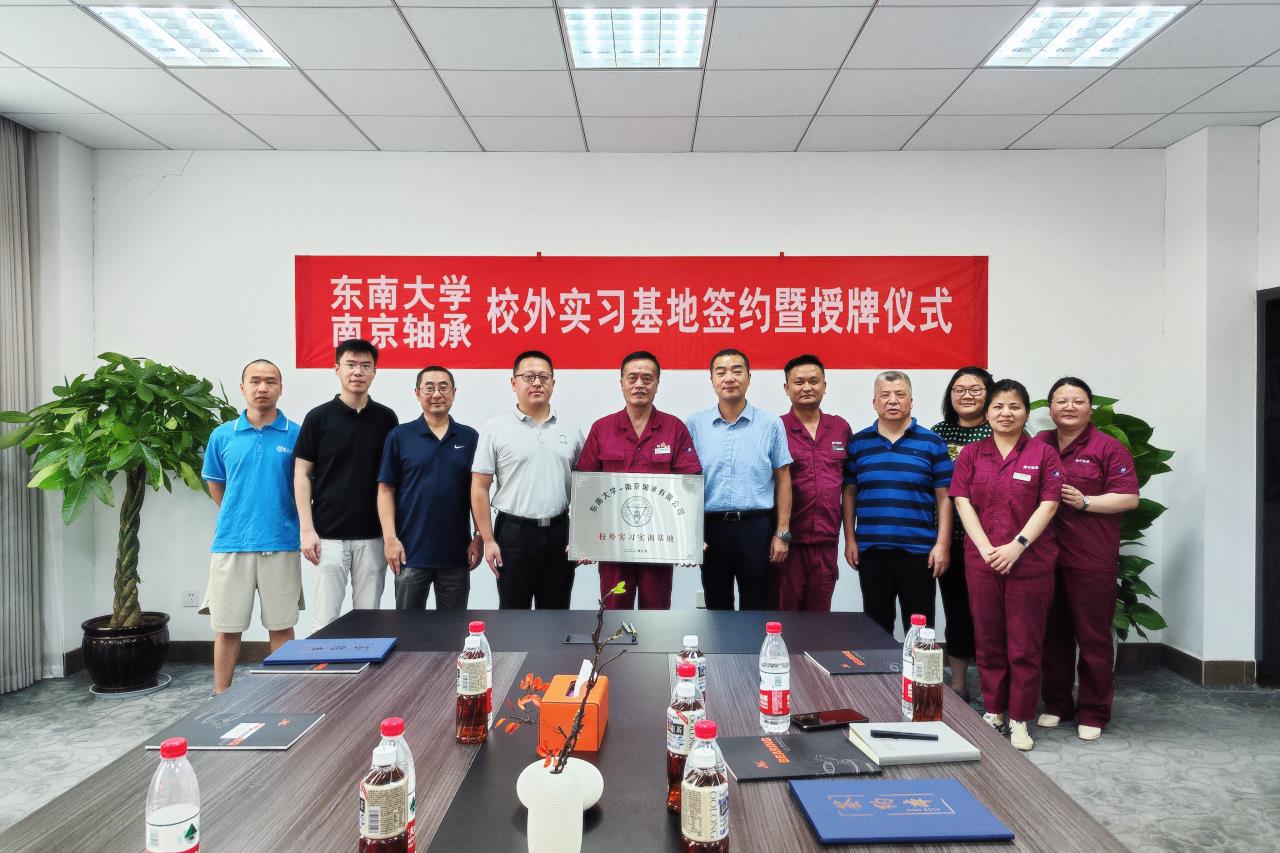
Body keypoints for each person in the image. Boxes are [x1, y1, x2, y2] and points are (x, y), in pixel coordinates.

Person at [949, 379, 1064, 751]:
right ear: (987, 413)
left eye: (1014, 406)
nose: (1006, 413)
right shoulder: (971, 454)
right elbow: (962, 501)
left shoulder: (1043, 454)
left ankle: (1020, 718)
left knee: (1024, 644)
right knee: (988, 640)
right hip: (982, 561)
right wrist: (985, 548)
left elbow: (1049, 504)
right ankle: (995, 710)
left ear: (1026, 413)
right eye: (998, 406)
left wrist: (1017, 546)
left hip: (1030, 562)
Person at [1034, 377, 1139, 742]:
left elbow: (1129, 498)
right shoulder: (1039, 443)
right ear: (1050, 408)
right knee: (1053, 635)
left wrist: (1086, 501)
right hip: (1045, 557)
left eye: (1077, 400)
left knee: (1093, 637)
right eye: (1061, 400)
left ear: (1090, 408)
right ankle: (1057, 704)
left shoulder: (1107, 448)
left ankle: (1094, 710)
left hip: (1091, 558)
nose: (1068, 407)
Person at [200, 359, 302, 694]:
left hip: (281, 542)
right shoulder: (222, 435)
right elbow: (216, 484)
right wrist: (239, 514)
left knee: (282, 627)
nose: (262, 388)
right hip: (232, 544)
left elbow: (303, 485)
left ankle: (286, 698)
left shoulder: (296, 434)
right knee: (227, 629)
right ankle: (220, 697)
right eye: (255, 381)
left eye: (270, 381)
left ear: (281, 388)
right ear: (242, 387)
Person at [575, 351, 702, 609]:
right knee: (613, 614)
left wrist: (691, 539)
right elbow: (585, 485)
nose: (639, 384)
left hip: (659, 543)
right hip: (612, 544)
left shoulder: (674, 427)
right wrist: (581, 540)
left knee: (656, 616)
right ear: (621, 382)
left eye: (647, 378)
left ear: (657, 384)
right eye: (632, 378)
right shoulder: (602, 428)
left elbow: (690, 484)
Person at [294, 339, 398, 631]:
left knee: (369, 621)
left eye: (365, 365)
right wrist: (306, 530)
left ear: (375, 371)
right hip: (328, 538)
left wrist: (391, 535)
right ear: (337, 369)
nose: (358, 372)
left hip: (373, 538)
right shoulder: (318, 418)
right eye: (350, 365)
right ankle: (324, 665)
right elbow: (301, 474)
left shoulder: (386, 418)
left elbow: (392, 481)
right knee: (325, 622)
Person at [471, 351, 584, 609]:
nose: (537, 383)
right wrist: (488, 539)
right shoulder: (495, 429)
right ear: (514, 383)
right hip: (513, 534)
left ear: (553, 383)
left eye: (544, 377)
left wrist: (582, 537)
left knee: (556, 615)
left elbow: (584, 488)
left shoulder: (571, 429)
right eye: (529, 377)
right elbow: (479, 487)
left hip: (559, 533)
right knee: (513, 614)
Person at [842, 371, 952, 636]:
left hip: (919, 551)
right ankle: (879, 667)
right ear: (874, 402)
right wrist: (850, 540)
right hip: (872, 550)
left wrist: (942, 545)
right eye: (885, 395)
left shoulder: (932, 443)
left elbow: (945, 498)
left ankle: (919, 667)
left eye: (900, 394)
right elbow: (849, 493)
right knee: (875, 629)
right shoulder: (858, 443)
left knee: (921, 630)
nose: (892, 400)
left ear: (911, 401)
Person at [686, 349, 792, 610]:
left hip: (756, 527)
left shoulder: (770, 423)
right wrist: (689, 533)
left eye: (736, 371)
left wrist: (782, 533)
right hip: (711, 528)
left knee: (757, 606)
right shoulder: (695, 424)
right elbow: (687, 482)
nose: (729, 378)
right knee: (716, 606)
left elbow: (783, 479)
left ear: (749, 377)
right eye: (721, 372)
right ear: (712, 379)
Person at [377, 366, 483, 611]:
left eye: (443, 387)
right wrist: (390, 539)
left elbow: (477, 492)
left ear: (454, 393)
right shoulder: (400, 436)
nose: (437, 394)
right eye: (429, 388)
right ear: (417, 393)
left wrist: (479, 536)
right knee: (407, 627)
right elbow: (385, 491)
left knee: (453, 628)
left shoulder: (469, 437)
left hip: (456, 554)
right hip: (410, 553)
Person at [930, 366, 995, 698]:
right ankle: (958, 683)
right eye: (959, 389)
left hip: (993, 540)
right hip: (949, 538)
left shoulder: (999, 429)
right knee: (956, 610)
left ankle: (995, 686)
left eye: (975, 389)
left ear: (989, 394)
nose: (967, 395)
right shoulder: (937, 433)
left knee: (990, 613)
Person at [771, 354, 852, 611]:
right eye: (799, 382)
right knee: (784, 616)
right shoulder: (776, 428)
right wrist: (780, 533)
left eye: (814, 381)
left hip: (826, 542)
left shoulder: (840, 428)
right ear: (787, 388)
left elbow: (849, 486)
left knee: (819, 619)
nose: (807, 387)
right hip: (788, 543)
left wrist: (850, 538)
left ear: (824, 386)